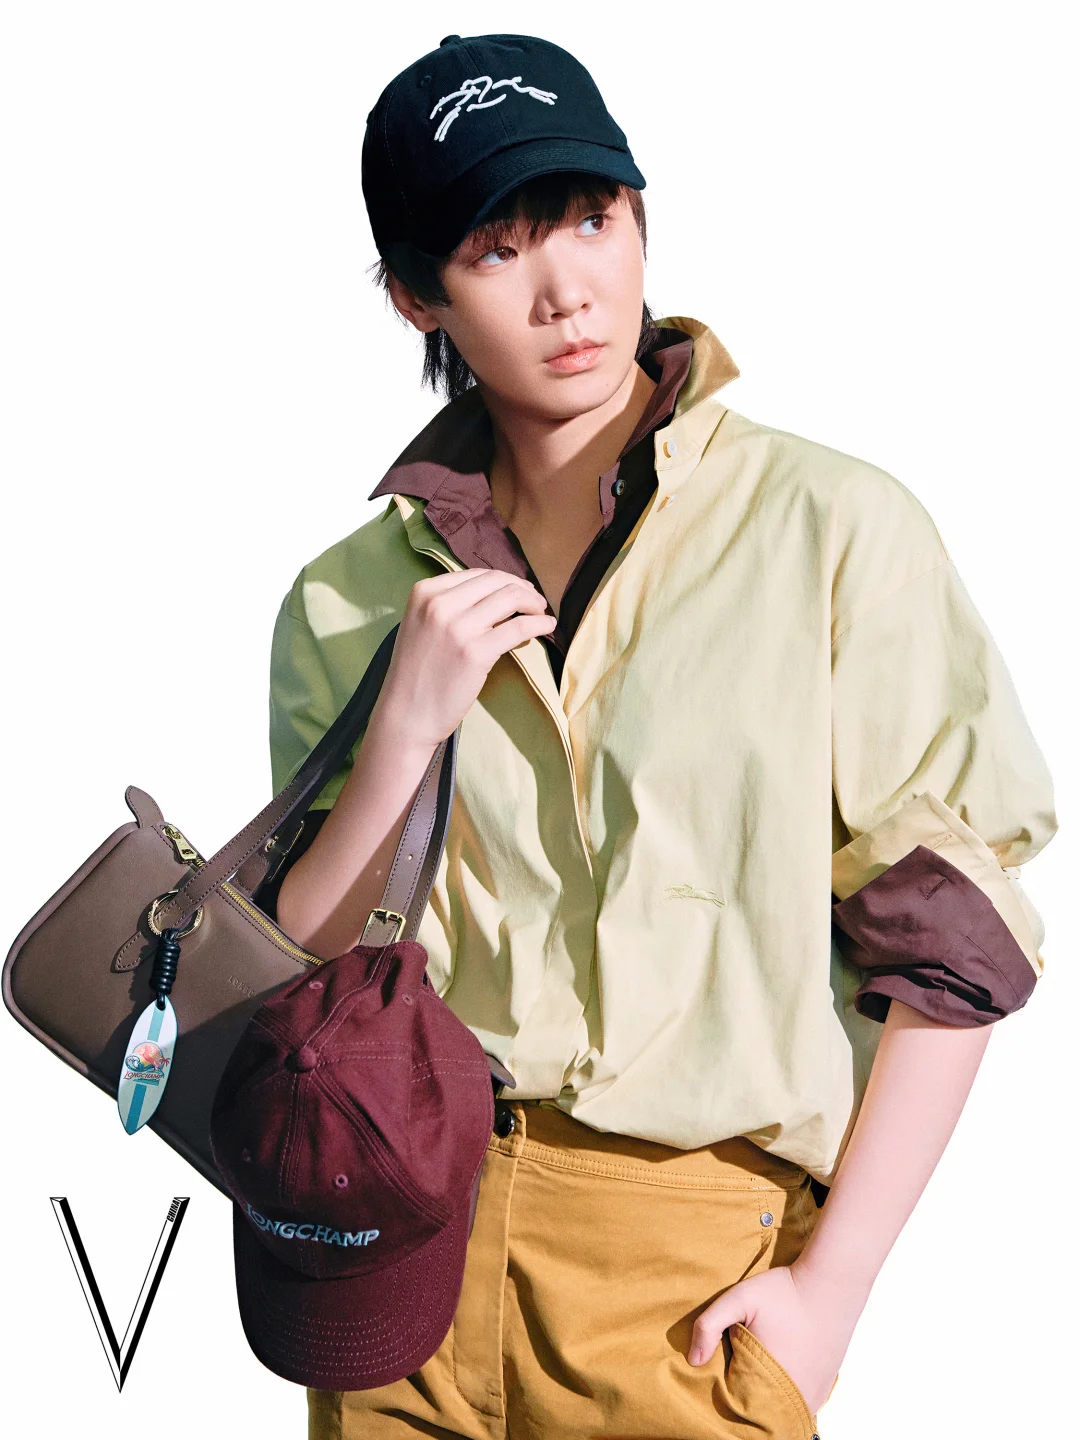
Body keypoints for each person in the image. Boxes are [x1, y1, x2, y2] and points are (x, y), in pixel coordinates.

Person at [257, 32, 1058, 1440]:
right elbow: (306, 972)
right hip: (397, 1261)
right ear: (416, 297)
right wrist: (403, 736)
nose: (567, 290)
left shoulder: (830, 529)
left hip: (691, 1277)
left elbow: (956, 941)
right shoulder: (349, 595)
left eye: (591, 218)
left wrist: (834, 1294)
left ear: (640, 220)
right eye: (497, 250)